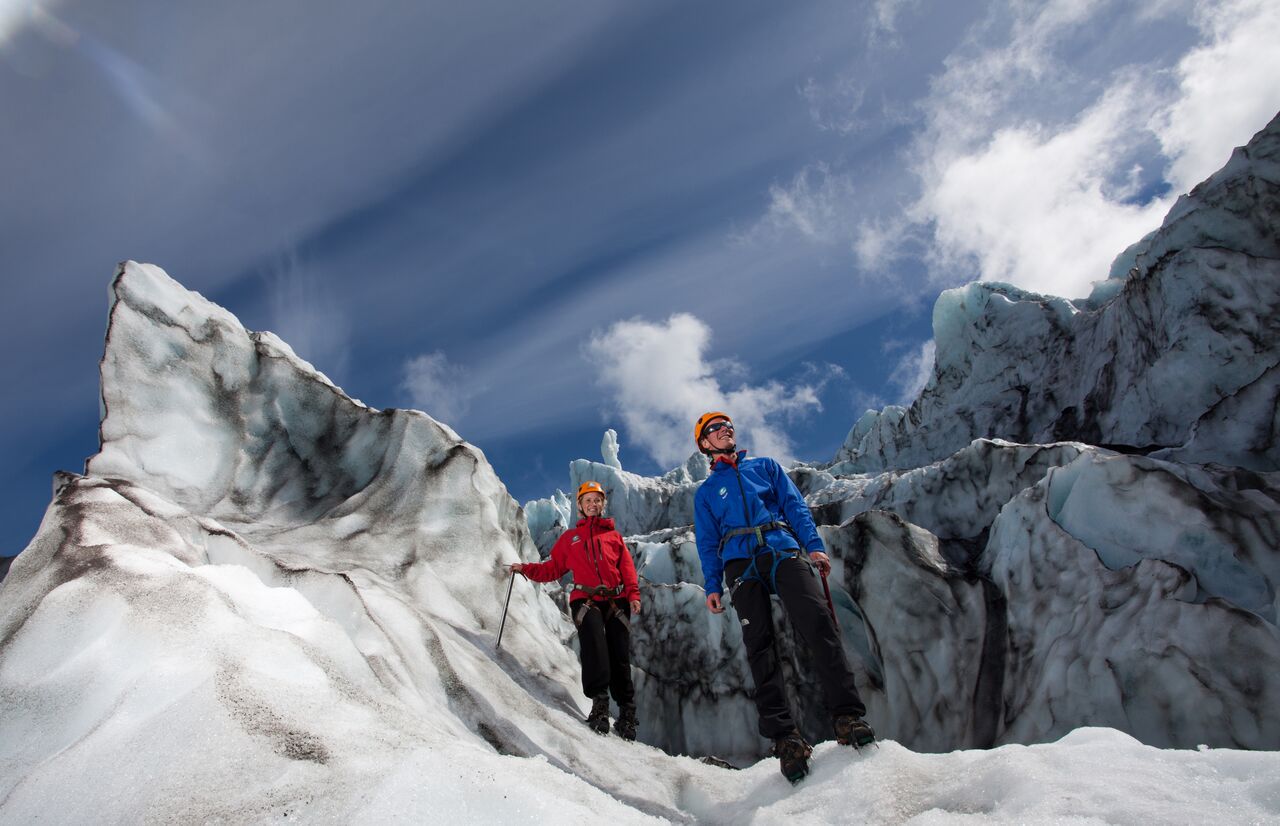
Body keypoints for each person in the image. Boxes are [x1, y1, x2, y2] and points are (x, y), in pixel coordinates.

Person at [692, 411, 874, 782]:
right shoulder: (707, 492)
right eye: (715, 428)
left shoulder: (765, 467)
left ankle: (847, 717)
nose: (725, 429)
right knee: (760, 646)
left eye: (727, 425)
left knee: (819, 623)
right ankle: (785, 738)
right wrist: (712, 585)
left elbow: (794, 506)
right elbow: (708, 542)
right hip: (740, 563)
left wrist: (814, 546)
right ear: (704, 444)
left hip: (780, 548)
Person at [509, 481, 642, 739]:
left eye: (597, 500)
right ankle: (600, 706)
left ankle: (627, 713)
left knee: (619, 656)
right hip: (586, 600)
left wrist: (633, 594)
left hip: (617, 600)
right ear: (579, 506)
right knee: (595, 647)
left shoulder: (613, 537)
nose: (593, 504)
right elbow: (552, 569)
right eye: (588, 500)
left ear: (603, 504)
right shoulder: (570, 539)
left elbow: (627, 569)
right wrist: (525, 568)